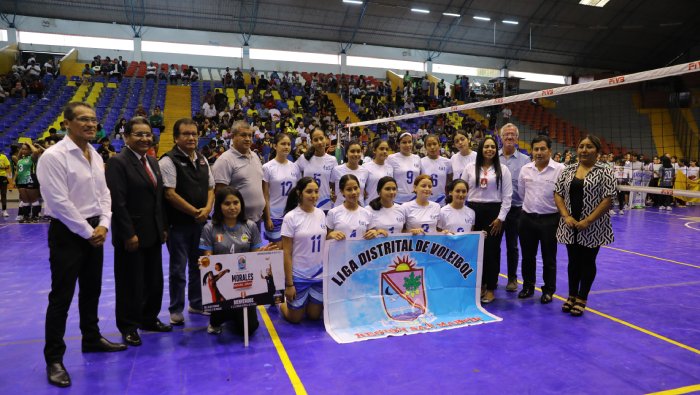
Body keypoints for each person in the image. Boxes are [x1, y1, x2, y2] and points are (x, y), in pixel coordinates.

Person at [36, 102, 127, 388]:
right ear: (67, 123)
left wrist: (103, 224)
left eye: (93, 120)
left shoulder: (96, 155)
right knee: (61, 296)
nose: (90, 124)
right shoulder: (54, 156)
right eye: (83, 119)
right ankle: (54, 358)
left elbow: (105, 194)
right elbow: (59, 202)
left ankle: (91, 338)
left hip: (94, 230)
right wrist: (89, 231)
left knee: (92, 290)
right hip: (68, 232)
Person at [105, 117, 171, 348]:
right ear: (126, 137)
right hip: (131, 235)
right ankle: (128, 326)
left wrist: (162, 227)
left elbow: (158, 200)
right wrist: (127, 233)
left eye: (147, 134)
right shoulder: (118, 163)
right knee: (130, 283)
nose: (144, 138)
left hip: (153, 232)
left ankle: (149, 318)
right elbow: (118, 202)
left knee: (154, 280)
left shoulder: (152, 162)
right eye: (138, 134)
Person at [160, 118, 215, 325]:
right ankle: (175, 309)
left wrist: (208, 208)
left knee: (199, 265)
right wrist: (195, 212)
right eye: (186, 134)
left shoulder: (202, 159)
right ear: (176, 138)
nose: (191, 137)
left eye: (194, 133)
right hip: (178, 225)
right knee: (178, 268)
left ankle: (197, 302)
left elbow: (211, 188)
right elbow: (170, 194)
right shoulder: (168, 160)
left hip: (200, 223)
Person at [554, 135, 615, 317]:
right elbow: (558, 193)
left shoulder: (605, 171)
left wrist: (587, 221)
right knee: (573, 262)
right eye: (581, 146)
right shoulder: (568, 169)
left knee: (588, 261)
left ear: (597, 150)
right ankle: (571, 295)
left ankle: (582, 298)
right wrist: (566, 216)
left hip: (593, 226)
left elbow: (608, 199)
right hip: (570, 224)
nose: (584, 150)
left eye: (589, 147)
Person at [199, 186, 271, 335]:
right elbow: (208, 260)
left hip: (243, 283)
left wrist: (263, 256)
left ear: (241, 204)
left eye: (236, 203)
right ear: (219, 206)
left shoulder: (250, 226)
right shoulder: (209, 228)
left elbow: (255, 258)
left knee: (249, 328)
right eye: (227, 203)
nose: (232, 207)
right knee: (217, 320)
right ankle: (222, 316)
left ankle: (236, 313)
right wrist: (204, 264)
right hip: (222, 286)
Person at [462, 136, 513, 304]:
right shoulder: (470, 167)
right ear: (481, 149)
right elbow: (462, 190)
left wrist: (501, 218)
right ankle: (480, 284)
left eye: (492, 146)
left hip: (494, 213)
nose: (489, 149)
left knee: (492, 251)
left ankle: (491, 288)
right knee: (475, 252)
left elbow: (507, 197)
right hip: (473, 212)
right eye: (486, 146)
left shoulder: (503, 169)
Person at [516, 136, 564, 303]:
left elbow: (563, 195)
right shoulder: (525, 169)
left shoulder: (560, 169)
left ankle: (548, 290)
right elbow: (522, 193)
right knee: (527, 256)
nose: (539, 152)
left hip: (550, 220)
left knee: (549, 257)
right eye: (536, 149)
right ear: (531, 151)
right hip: (527, 218)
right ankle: (528, 286)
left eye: (542, 149)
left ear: (549, 151)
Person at [280, 177, 327, 323]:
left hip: (319, 275)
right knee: (295, 319)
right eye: (309, 192)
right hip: (299, 275)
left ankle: (303, 302)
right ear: (299, 193)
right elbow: (286, 252)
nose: (314, 195)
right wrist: (289, 284)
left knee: (313, 316)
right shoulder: (291, 217)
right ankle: (281, 302)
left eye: (316, 191)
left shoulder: (321, 213)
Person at [498, 123, 531, 293]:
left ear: (517, 139)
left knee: (512, 246)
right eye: (506, 135)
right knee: (493, 245)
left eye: (512, 135)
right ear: (501, 137)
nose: (509, 138)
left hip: (516, 209)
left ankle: (512, 278)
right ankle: (491, 277)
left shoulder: (526, 160)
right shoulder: (493, 157)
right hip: (496, 209)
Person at [212, 121, 265, 223]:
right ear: (233, 136)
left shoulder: (254, 156)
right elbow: (219, 194)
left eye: (250, 135)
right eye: (243, 135)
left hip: (257, 219)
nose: (248, 139)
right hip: (236, 222)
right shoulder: (225, 160)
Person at [263, 133, 301, 246]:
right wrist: (267, 218)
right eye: (283, 144)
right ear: (275, 146)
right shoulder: (267, 167)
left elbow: (298, 193)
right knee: (277, 251)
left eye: (289, 144)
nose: (286, 147)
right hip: (275, 216)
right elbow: (265, 195)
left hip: (292, 214)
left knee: (291, 250)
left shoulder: (295, 167)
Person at [295, 129, 337, 213]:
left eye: (321, 138)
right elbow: (293, 174)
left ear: (326, 139)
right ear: (311, 142)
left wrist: (334, 195)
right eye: (316, 140)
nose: (319, 142)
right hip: (307, 204)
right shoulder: (304, 158)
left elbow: (333, 183)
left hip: (325, 204)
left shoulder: (332, 160)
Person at [326, 174, 377, 241]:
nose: (353, 192)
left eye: (356, 188)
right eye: (349, 189)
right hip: (339, 251)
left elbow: (373, 239)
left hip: (361, 251)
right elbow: (326, 239)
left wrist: (375, 233)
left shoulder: (367, 213)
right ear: (342, 191)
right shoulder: (333, 213)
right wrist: (330, 235)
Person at [332, 141, 370, 207]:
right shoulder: (336, 170)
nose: (356, 154)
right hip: (340, 209)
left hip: (359, 209)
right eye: (352, 151)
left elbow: (364, 190)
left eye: (358, 151)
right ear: (346, 154)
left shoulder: (365, 171)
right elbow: (332, 185)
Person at [387, 132, 421, 203]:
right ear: (398, 144)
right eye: (404, 142)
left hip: (414, 198)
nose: (407, 145)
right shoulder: (391, 158)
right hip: (397, 199)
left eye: (409, 142)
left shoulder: (417, 158)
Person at [14, 142, 43, 223]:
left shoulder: (32, 157)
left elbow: (36, 152)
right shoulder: (20, 159)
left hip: (31, 179)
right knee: (25, 200)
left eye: (25, 149)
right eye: (22, 149)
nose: (23, 150)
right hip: (21, 180)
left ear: (30, 151)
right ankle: (26, 216)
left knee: (33, 199)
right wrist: (22, 147)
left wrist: (29, 144)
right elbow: (18, 156)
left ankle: (35, 216)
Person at [420, 134, 453, 206]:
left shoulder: (447, 162)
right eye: (429, 145)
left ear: (439, 145)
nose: (432, 147)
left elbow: (450, 182)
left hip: (441, 201)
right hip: (425, 200)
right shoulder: (420, 162)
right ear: (425, 147)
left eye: (434, 144)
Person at [363, 139, 394, 204]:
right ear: (374, 150)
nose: (385, 151)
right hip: (370, 205)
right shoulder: (365, 167)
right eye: (381, 149)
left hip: (385, 205)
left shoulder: (390, 168)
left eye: (386, 149)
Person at [0, 151, 10, 218]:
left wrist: (1, 167)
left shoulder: (3, 157)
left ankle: (4, 210)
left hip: (2, 177)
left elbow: (7, 166)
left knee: (3, 194)